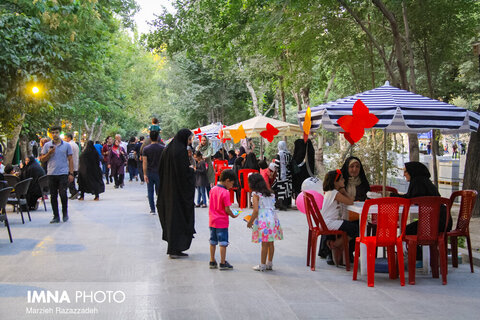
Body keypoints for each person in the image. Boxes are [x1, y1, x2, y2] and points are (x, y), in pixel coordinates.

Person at [157, 129, 195, 258]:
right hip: (178, 193)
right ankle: (174, 249)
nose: (189, 141)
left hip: (167, 191)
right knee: (177, 219)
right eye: (189, 139)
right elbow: (183, 173)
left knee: (171, 219)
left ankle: (176, 248)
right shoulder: (180, 152)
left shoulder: (167, 150)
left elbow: (160, 169)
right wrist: (191, 171)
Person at [390, 162, 452, 235]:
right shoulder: (425, 181)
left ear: (413, 171)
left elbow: (409, 200)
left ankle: (414, 246)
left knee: (406, 231)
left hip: (436, 222)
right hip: (443, 220)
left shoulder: (417, 182)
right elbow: (411, 197)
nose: (404, 174)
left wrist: (391, 195)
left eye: (406, 171)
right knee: (409, 230)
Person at [247, 173, 283, 271]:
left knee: (264, 244)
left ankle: (262, 265)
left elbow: (255, 211)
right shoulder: (271, 193)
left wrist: (250, 222)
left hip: (263, 221)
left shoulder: (256, 195)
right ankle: (269, 263)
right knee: (271, 243)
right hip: (273, 219)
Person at [320, 170, 358, 265]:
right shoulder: (334, 193)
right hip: (330, 222)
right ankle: (335, 244)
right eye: (341, 179)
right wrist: (344, 191)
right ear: (335, 182)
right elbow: (350, 202)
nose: (344, 180)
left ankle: (338, 244)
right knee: (355, 229)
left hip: (329, 222)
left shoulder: (331, 192)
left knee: (352, 227)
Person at [39, 126, 74, 223]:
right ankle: (56, 216)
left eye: (56, 132)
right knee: (53, 195)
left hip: (63, 173)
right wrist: (49, 153)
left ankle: (65, 214)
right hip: (51, 173)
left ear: (60, 133)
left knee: (63, 194)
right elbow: (42, 159)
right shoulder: (47, 145)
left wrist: (71, 173)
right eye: (53, 133)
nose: (54, 134)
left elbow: (70, 159)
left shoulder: (66, 145)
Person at [208, 169, 238, 270]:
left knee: (212, 241)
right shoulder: (225, 192)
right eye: (232, 183)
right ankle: (222, 262)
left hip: (212, 220)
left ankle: (212, 261)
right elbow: (227, 209)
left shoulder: (212, 189)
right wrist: (233, 215)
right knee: (223, 243)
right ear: (227, 180)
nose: (232, 186)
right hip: (222, 222)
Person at [142, 130, 164, 214]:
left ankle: (152, 209)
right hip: (159, 173)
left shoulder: (146, 149)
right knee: (159, 191)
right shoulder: (162, 148)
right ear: (158, 137)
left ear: (150, 138)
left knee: (150, 191)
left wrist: (144, 174)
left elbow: (144, 162)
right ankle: (160, 207)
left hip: (150, 172)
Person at [272, 141, 293, 210]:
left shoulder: (279, 154)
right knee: (287, 189)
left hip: (281, 175)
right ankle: (286, 204)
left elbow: (277, 165)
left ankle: (281, 204)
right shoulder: (288, 154)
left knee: (281, 188)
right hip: (288, 174)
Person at [64, 133, 80, 200]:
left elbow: (69, 156)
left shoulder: (69, 145)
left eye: (65, 138)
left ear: (68, 138)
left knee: (70, 180)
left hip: (71, 166)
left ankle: (74, 192)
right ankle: (73, 192)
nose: (64, 140)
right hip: (75, 165)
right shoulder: (75, 145)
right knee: (71, 180)